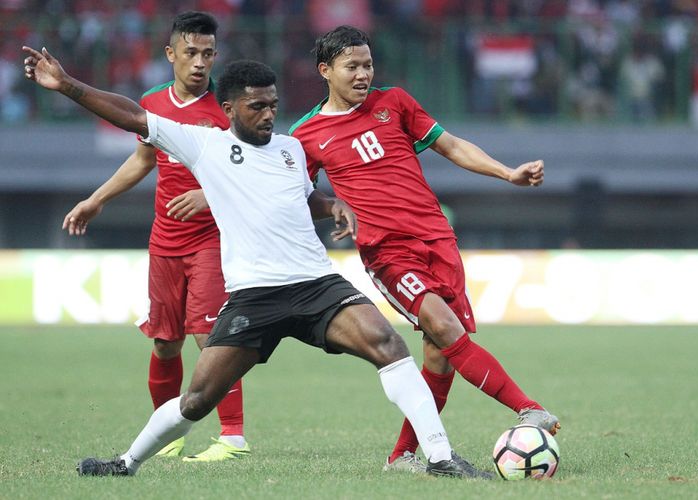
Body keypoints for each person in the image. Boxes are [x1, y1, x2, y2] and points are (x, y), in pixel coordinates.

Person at [22, 45, 493, 479]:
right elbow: (131, 116)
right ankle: (126, 463)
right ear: (228, 109)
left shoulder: (290, 149)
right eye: (257, 107)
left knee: (388, 344)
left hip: (316, 285)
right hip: (254, 295)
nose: (269, 115)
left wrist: (332, 206)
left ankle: (439, 457)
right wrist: (67, 85)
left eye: (272, 105)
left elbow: (303, 197)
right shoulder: (202, 145)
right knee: (197, 400)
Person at [289, 25, 560, 473]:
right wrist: (334, 209)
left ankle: (401, 457)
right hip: (388, 252)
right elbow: (295, 194)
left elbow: (451, 146)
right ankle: (528, 408)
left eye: (368, 65)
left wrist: (507, 173)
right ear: (325, 71)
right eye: (351, 66)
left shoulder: (393, 102)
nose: (362, 75)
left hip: (437, 239)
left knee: (439, 353)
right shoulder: (306, 134)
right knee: (445, 328)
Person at [61, 12, 248, 463]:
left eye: (207, 53)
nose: (200, 63)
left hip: (212, 239)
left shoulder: (228, 107)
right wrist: (97, 198)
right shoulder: (152, 104)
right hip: (165, 240)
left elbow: (248, 170)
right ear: (171, 55)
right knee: (165, 341)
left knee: (211, 338)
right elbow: (144, 160)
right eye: (190, 53)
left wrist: (209, 193)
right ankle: (169, 436)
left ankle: (233, 438)